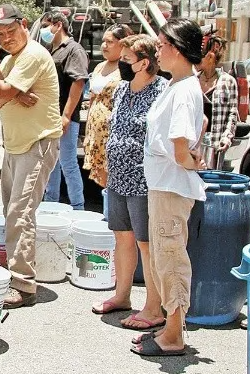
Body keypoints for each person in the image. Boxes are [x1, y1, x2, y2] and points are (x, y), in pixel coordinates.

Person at [131, 18, 207, 358]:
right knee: (165, 257)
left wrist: (194, 163)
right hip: (164, 185)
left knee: (171, 259)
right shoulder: (180, 86)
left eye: (161, 45)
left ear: (175, 48)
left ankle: (174, 336)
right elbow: (196, 128)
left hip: (171, 188)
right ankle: (170, 326)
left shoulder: (183, 89)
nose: (157, 51)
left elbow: (179, 147)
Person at [0, 3, 61, 309]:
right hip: (16, 144)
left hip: (35, 143)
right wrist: (13, 93)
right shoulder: (14, 60)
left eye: (11, 31)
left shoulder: (30, 55)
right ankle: (17, 273)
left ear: (24, 25)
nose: (5, 39)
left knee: (20, 213)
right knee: (12, 211)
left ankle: (23, 284)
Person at [92, 35, 167, 331]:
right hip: (118, 177)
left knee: (146, 244)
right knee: (122, 237)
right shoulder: (123, 89)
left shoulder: (161, 91)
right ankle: (121, 296)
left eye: (126, 60)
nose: (120, 64)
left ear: (144, 63)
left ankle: (153, 307)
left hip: (144, 180)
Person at [40, 10, 89, 210]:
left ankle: (78, 207)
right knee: (51, 163)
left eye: (46, 25)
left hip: (64, 116)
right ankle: (51, 203)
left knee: (68, 163)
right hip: (50, 116)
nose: (43, 30)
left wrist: (66, 115)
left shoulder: (73, 50)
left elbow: (78, 83)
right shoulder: (52, 49)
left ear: (58, 25)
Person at [83, 24, 133, 187]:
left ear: (122, 43)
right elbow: (92, 99)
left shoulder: (128, 70)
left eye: (109, 42)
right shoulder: (99, 67)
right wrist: (87, 134)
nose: (104, 45)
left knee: (114, 182)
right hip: (96, 134)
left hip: (113, 135)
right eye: (103, 41)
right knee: (101, 181)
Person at [197, 29, 238, 170]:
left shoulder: (228, 81)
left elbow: (232, 114)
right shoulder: (192, 80)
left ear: (210, 56)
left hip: (214, 147)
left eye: (199, 55)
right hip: (193, 146)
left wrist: (227, 137)